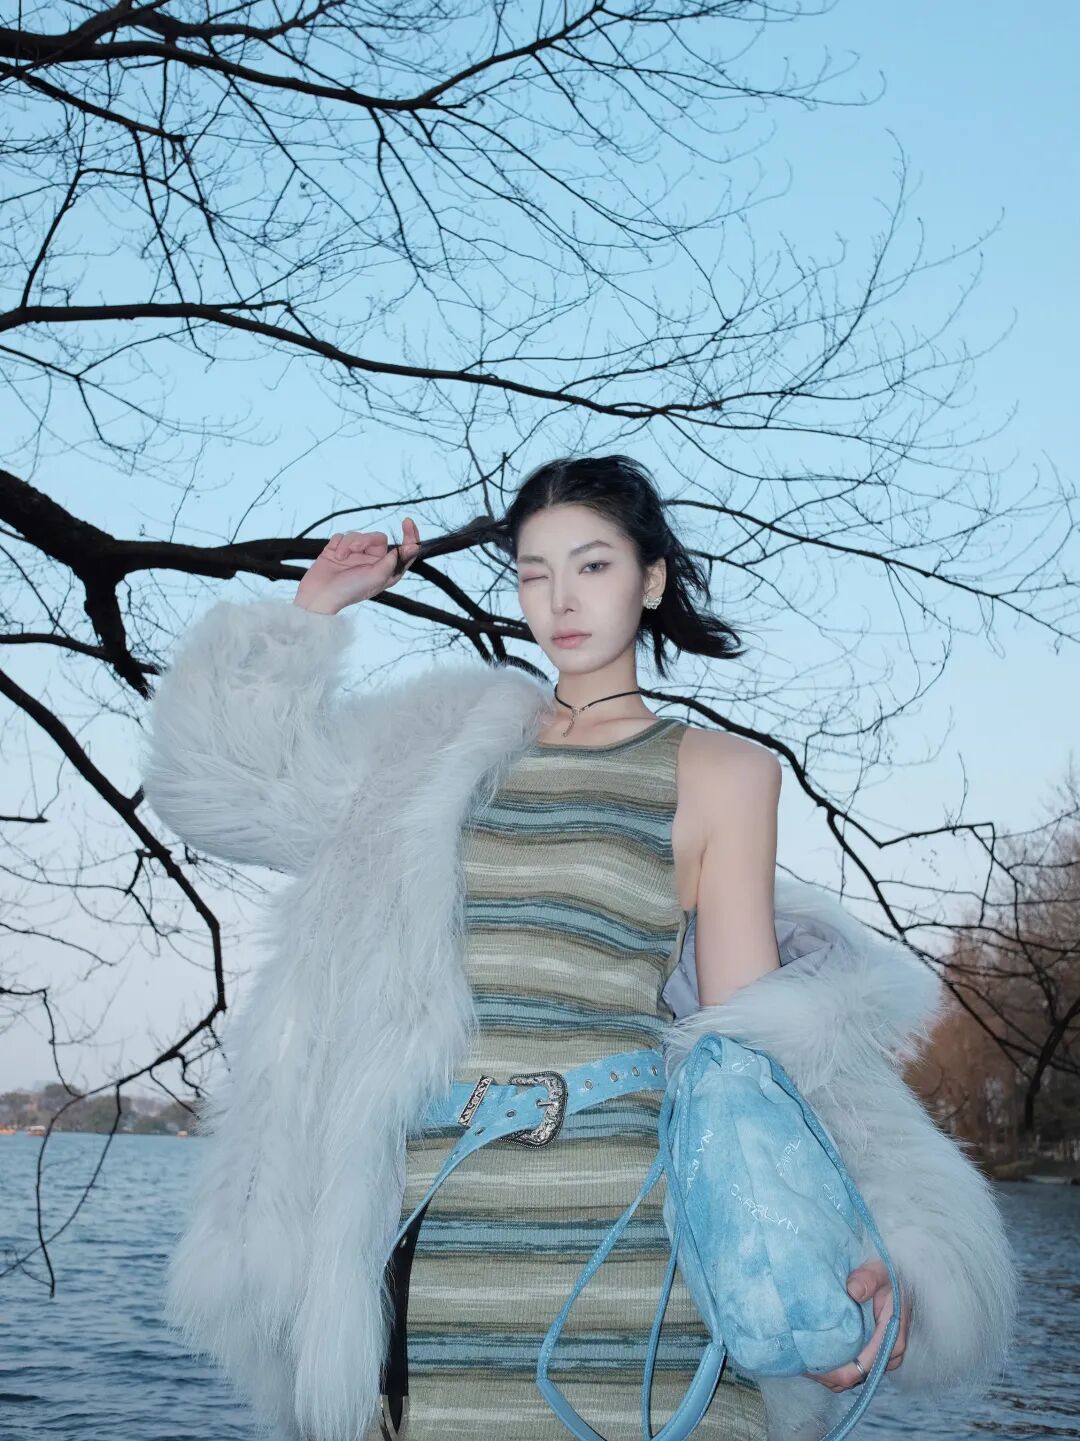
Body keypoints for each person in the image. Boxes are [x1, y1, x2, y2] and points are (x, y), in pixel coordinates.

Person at [141, 455, 1016, 1441]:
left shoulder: (723, 770)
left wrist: (872, 1242)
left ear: (651, 578)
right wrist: (311, 612)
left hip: (632, 1237)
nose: (559, 598)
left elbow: (758, 1052)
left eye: (592, 565)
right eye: (534, 571)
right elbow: (237, 793)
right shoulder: (433, 751)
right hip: (430, 1240)